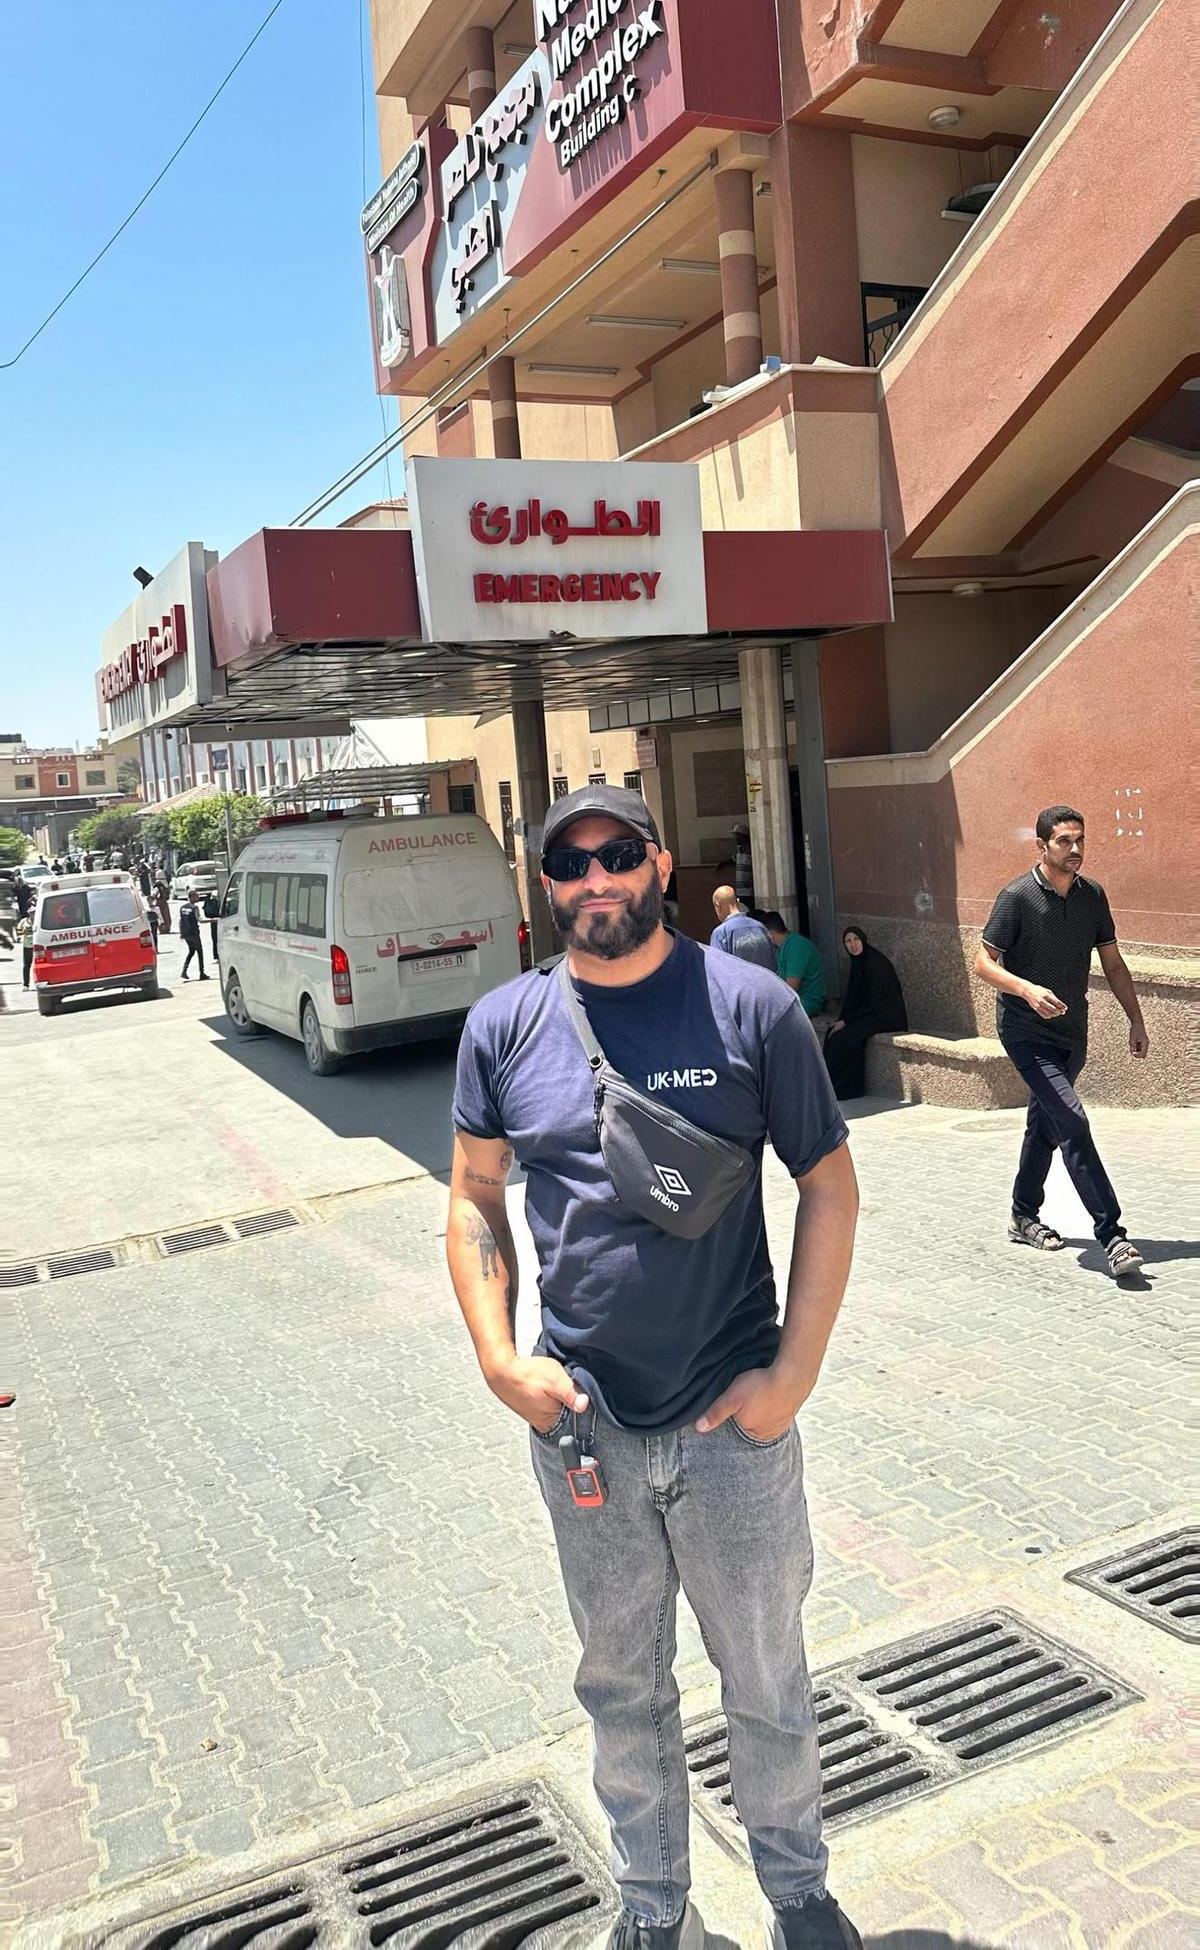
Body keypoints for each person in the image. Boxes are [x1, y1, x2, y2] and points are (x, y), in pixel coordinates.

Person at [448, 783, 863, 1950]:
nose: (596, 879)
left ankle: (798, 1892)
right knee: (621, 1684)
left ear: (661, 863)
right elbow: (475, 1194)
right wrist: (498, 1360)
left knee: (765, 1676)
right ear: (546, 882)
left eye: (618, 853)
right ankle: (652, 1904)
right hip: (584, 1426)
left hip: (734, 1427)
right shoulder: (505, 1025)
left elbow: (830, 1187)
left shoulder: (750, 1005)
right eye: (570, 862)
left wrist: (793, 1375)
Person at [974, 805, 1148, 1279]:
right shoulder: (1017, 897)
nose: (1075, 849)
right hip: (1025, 1032)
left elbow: (1113, 963)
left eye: (1080, 840)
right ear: (1042, 846)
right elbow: (983, 963)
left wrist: (1136, 1019)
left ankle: (1022, 1214)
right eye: (1064, 841)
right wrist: (1026, 990)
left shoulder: (1093, 896)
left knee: (1045, 1126)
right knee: (1071, 1120)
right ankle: (1112, 1234)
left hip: (1072, 1033)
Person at [822, 927, 907, 1101]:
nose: (853, 944)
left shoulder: (875, 963)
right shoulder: (858, 962)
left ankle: (845, 1090)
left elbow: (873, 1002)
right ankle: (828, 1088)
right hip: (869, 1013)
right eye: (848, 941)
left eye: (856, 939)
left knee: (845, 1039)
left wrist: (847, 1021)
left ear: (863, 940)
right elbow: (853, 997)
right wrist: (842, 1019)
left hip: (886, 1016)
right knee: (833, 1034)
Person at [762, 913, 827, 1021]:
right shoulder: (781, 946)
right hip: (792, 1000)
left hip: (806, 1002)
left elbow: (791, 989)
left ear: (771, 934)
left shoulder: (796, 946)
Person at [710, 884, 776, 970]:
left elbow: (718, 969)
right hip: (765, 978)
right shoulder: (761, 928)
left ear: (717, 906)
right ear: (737, 901)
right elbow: (774, 965)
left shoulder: (720, 933)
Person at [178, 890, 208, 980]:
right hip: (194, 933)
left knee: (191, 951)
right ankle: (201, 973)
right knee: (199, 951)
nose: (198, 897)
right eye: (196, 896)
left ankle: (184, 971)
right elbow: (200, 920)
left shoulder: (182, 908)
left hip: (186, 933)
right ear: (191, 897)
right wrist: (213, 920)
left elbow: (181, 921)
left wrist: (181, 933)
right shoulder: (195, 908)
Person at [16, 909, 34, 990]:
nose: (33, 914)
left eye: (34, 912)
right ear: (28, 913)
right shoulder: (23, 921)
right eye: (31, 913)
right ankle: (26, 985)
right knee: (26, 966)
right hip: (27, 946)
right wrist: (24, 932)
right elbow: (18, 932)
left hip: (38, 946)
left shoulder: (39, 921)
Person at [203, 885, 221, 962]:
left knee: (215, 939)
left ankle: (216, 956)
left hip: (213, 921)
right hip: (219, 920)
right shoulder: (219, 900)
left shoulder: (209, 900)